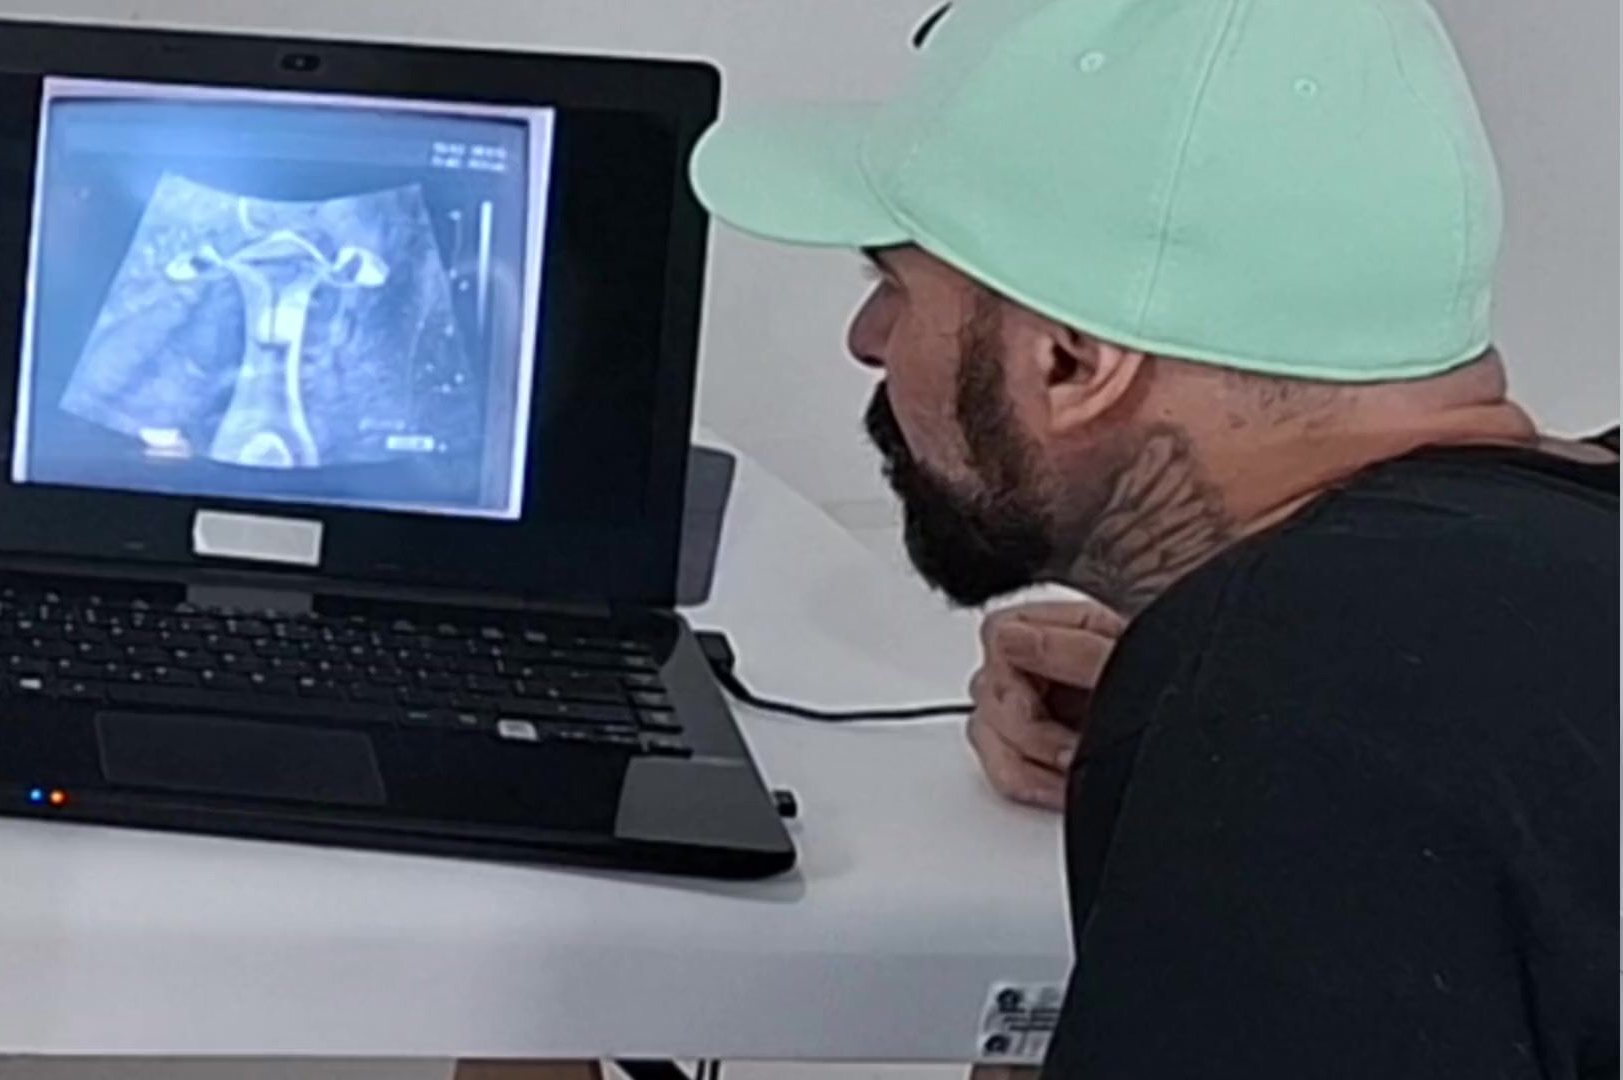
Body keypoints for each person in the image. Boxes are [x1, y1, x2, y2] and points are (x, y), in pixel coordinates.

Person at [690, 0, 1618, 1076]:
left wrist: (1229, 730)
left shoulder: (1303, 720)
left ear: (1071, 362)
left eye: (892, 285)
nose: (868, 340)